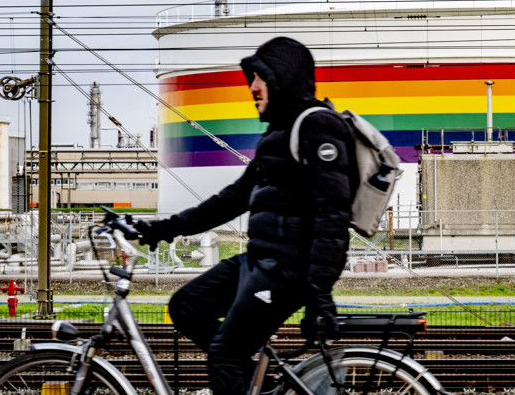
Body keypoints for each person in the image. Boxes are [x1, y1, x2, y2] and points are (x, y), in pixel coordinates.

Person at [135, 36, 356, 394]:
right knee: (186, 306)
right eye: (251, 78)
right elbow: (233, 198)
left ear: (283, 78)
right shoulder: (279, 133)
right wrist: (166, 228)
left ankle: (241, 374)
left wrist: (319, 293)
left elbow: (332, 217)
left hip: (286, 271)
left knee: (225, 354)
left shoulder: (317, 126)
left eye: (260, 77)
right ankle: (256, 384)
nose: (252, 87)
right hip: (260, 261)